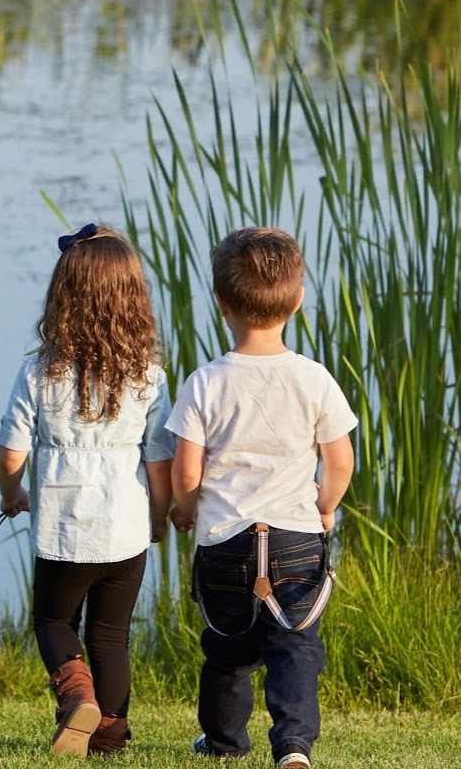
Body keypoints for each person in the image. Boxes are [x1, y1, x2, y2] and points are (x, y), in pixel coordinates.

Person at [166, 227, 356, 769]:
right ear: (296, 301)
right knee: (295, 644)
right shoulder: (314, 378)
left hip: (225, 540)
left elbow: (186, 467)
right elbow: (340, 460)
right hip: (296, 536)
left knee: (227, 647)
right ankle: (293, 748)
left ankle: (224, 741)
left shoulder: (205, 382)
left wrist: (184, 507)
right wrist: (324, 506)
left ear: (221, 303)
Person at [0, 222, 174, 759]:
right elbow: (159, 458)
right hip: (126, 528)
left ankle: (76, 697)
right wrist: (160, 517)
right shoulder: (147, 375)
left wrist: (11, 494)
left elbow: (10, 452)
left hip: (63, 528)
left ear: (62, 296)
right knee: (111, 635)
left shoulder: (38, 373)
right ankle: (111, 736)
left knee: (52, 620)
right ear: (133, 300)